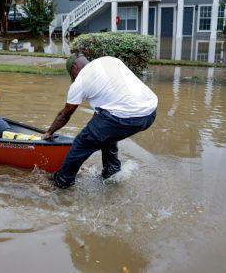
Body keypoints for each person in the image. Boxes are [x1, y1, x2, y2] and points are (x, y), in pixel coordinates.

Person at [42, 54, 158, 189]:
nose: (74, 79)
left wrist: (49, 132)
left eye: (72, 75)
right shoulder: (109, 60)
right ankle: (112, 172)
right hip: (150, 112)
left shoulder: (80, 81)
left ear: (74, 68)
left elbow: (65, 114)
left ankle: (62, 182)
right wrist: (92, 130)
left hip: (126, 116)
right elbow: (104, 111)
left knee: (81, 143)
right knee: (106, 134)